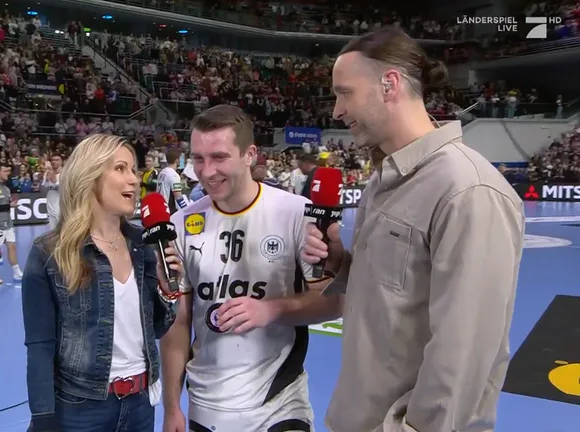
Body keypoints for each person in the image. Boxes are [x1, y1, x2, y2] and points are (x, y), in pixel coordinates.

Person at [300, 27, 525, 432]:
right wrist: (342, 263)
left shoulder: (468, 190)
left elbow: (465, 351)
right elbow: (398, 290)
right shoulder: (383, 179)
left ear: (389, 84)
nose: (336, 111)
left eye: (344, 93)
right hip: (358, 417)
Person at [161, 105, 343, 432]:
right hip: (206, 404)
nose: (206, 171)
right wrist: (172, 406)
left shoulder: (297, 214)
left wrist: (271, 309)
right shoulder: (181, 224)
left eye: (219, 157)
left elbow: (333, 302)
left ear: (250, 155)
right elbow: (179, 322)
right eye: (198, 159)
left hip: (280, 402)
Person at [21, 134, 184, 432]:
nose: (133, 179)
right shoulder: (49, 252)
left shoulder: (144, 245)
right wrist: (43, 418)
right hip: (80, 410)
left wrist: (167, 290)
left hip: (140, 405)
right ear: (90, 176)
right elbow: (40, 346)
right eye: (120, 168)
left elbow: (157, 328)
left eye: (133, 169)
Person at [156, 149, 188, 213]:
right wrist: (187, 209)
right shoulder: (174, 175)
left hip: (160, 206)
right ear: (177, 160)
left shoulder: (162, 172)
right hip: (169, 209)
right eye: (180, 159)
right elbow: (178, 197)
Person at [42, 153, 63, 229]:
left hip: (61, 202)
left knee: (61, 225)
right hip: (50, 202)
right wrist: (47, 179)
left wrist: (54, 180)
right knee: (52, 227)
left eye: (57, 160)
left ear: (61, 161)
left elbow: (61, 185)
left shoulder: (65, 173)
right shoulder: (48, 173)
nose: (54, 162)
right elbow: (44, 186)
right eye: (52, 160)